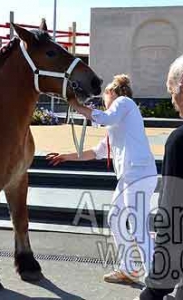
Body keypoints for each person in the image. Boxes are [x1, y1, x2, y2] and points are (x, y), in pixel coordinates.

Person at [47, 74, 157, 284]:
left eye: (104, 98)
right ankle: (128, 269)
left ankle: (155, 279)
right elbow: (96, 152)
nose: (102, 103)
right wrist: (65, 157)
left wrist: (75, 105)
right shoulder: (117, 124)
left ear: (111, 93)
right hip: (131, 176)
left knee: (137, 226)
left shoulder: (124, 103)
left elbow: (104, 117)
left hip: (138, 174)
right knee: (116, 219)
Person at [136, 55, 183, 300]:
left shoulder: (179, 141)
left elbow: (173, 215)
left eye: (171, 91)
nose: (172, 101)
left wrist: (155, 288)